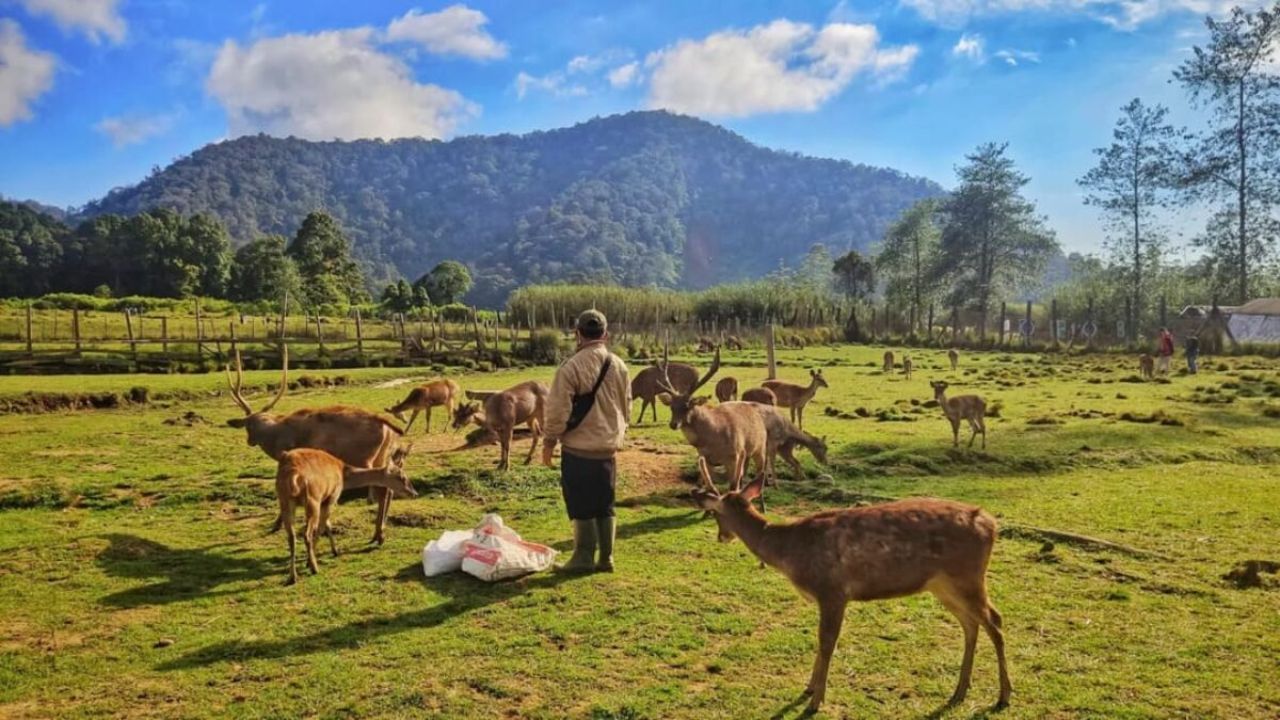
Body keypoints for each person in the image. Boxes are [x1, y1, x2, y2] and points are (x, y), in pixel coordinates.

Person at [542, 310, 630, 573]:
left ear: (577, 334)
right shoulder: (620, 365)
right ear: (605, 334)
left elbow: (558, 411)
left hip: (579, 450)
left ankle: (582, 558)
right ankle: (606, 558)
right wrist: (618, 434)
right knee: (605, 503)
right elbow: (627, 406)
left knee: (581, 503)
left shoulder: (571, 367)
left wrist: (548, 443)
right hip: (608, 449)